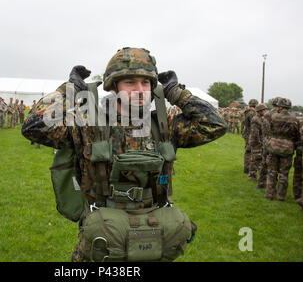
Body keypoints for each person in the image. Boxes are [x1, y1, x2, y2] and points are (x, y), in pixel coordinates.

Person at [22, 47, 227, 262]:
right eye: (130, 82)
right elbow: (34, 125)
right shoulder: (87, 123)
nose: (140, 89)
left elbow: (215, 124)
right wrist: (69, 90)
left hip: (154, 239)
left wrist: (177, 92)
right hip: (101, 241)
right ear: (114, 87)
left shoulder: (165, 125)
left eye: (146, 83)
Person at [264, 98, 299, 201]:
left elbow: (269, 130)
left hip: (273, 146)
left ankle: (269, 194)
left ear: (280, 107)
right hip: (287, 148)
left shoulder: (273, 117)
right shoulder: (294, 119)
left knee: (272, 171)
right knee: (284, 173)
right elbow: (296, 134)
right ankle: (281, 196)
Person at [248, 103, 268, 187]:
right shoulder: (256, 119)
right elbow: (255, 132)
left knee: (253, 159)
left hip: (256, 141)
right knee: (259, 160)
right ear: (260, 111)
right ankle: (262, 179)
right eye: (264, 110)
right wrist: (260, 142)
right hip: (256, 142)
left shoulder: (260, 118)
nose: (265, 111)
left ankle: (252, 175)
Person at [241, 99, 258, 174]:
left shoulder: (246, 112)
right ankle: (249, 168)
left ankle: (247, 168)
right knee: (250, 151)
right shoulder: (252, 113)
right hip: (251, 133)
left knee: (248, 151)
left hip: (247, 133)